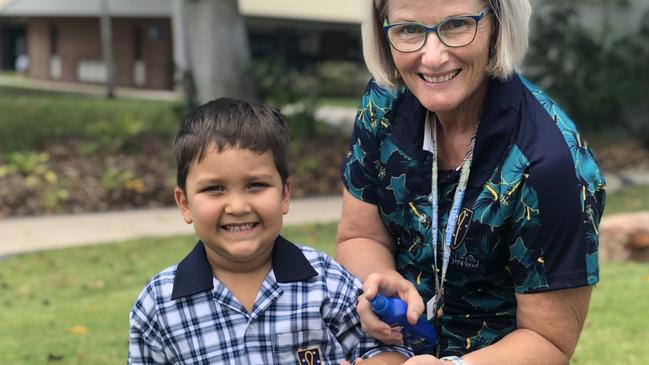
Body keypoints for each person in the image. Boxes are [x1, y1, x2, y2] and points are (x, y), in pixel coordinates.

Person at [335, 0, 606, 364]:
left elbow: (549, 341)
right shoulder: (384, 103)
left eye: (458, 25)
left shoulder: (552, 166)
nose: (432, 57)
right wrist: (376, 282)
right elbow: (360, 235)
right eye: (409, 29)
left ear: (498, 25)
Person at [128, 98, 412, 364]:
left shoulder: (328, 283)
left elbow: (388, 347)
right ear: (185, 203)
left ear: (285, 195)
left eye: (256, 185)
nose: (238, 206)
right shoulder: (158, 305)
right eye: (214, 189)